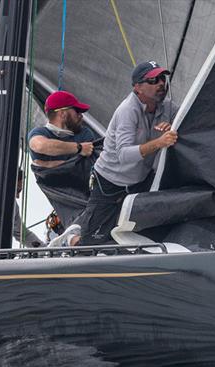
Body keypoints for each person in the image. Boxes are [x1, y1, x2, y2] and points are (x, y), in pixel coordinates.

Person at [53, 61, 179, 247]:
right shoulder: (128, 110)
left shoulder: (167, 107)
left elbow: (186, 121)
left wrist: (173, 127)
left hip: (139, 181)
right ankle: (70, 239)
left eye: (162, 78)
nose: (161, 83)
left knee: (137, 229)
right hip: (109, 182)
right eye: (153, 80)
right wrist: (159, 142)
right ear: (138, 87)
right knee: (91, 242)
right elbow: (124, 155)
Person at [28, 90, 97, 168]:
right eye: (77, 111)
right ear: (62, 114)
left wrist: (48, 165)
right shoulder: (39, 132)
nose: (81, 116)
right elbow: (40, 146)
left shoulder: (85, 133)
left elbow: (86, 168)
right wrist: (80, 148)